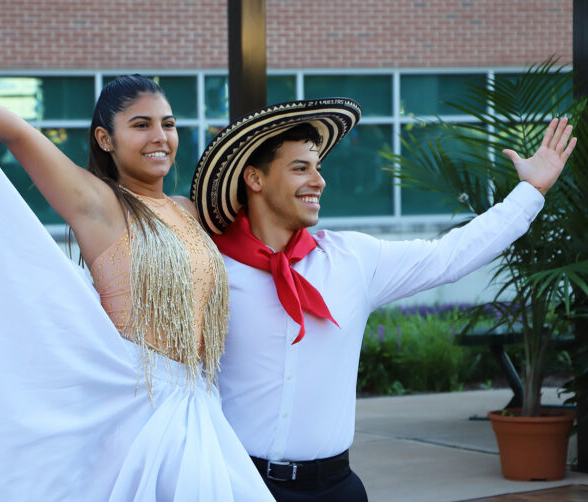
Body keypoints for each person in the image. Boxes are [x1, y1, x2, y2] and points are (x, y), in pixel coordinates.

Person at [0, 7, 273, 501]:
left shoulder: (188, 209)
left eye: (167, 123)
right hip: (137, 408)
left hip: (200, 403)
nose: (159, 137)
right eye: (140, 125)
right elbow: (16, 131)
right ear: (106, 138)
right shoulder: (98, 202)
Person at [190, 99, 575, 501]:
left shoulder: (353, 260)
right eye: (300, 168)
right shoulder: (211, 270)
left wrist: (531, 191)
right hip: (238, 485)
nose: (319, 180)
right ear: (254, 178)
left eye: (318, 168)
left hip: (336, 488)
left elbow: (449, 256)